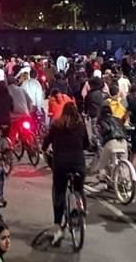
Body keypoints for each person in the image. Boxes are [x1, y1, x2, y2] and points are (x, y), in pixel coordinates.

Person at [42, 101, 88, 246]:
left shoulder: (56, 124)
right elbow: (87, 144)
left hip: (61, 165)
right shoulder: (81, 124)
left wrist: (44, 149)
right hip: (78, 164)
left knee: (59, 192)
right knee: (79, 189)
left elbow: (46, 141)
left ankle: (57, 225)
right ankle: (82, 213)